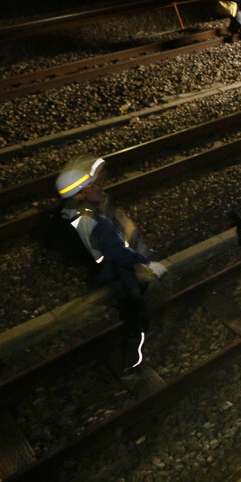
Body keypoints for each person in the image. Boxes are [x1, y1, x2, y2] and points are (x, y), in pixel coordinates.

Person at [55, 156, 167, 371]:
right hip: (119, 276)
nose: (98, 186)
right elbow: (116, 252)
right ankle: (132, 365)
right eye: (93, 185)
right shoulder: (93, 222)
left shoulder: (75, 211)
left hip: (105, 271)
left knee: (131, 312)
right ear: (83, 192)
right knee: (135, 318)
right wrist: (147, 264)